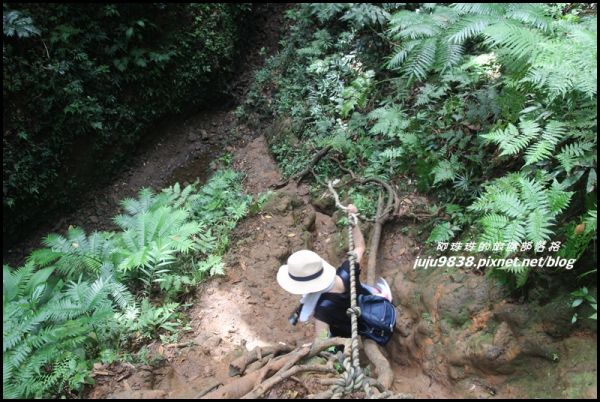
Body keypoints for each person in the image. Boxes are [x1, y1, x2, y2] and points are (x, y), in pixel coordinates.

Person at [277, 204, 392, 339]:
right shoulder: (347, 270)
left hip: (356, 328)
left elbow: (323, 341)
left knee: (335, 332)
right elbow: (360, 246)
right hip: (369, 307)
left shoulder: (322, 310)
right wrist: (353, 221)